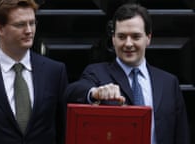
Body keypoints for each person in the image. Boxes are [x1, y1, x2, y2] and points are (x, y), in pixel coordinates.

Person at [65, 3, 190, 144]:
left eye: (136, 36)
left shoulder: (169, 82)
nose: (128, 43)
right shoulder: (97, 73)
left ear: (148, 38)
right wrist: (94, 93)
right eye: (122, 36)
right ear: (113, 39)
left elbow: (181, 135)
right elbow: (72, 93)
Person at [0, 0, 68, 144]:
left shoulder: (55, 72)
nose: (29, 30)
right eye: (20, 25)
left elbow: (63, 130)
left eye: (32, 23)